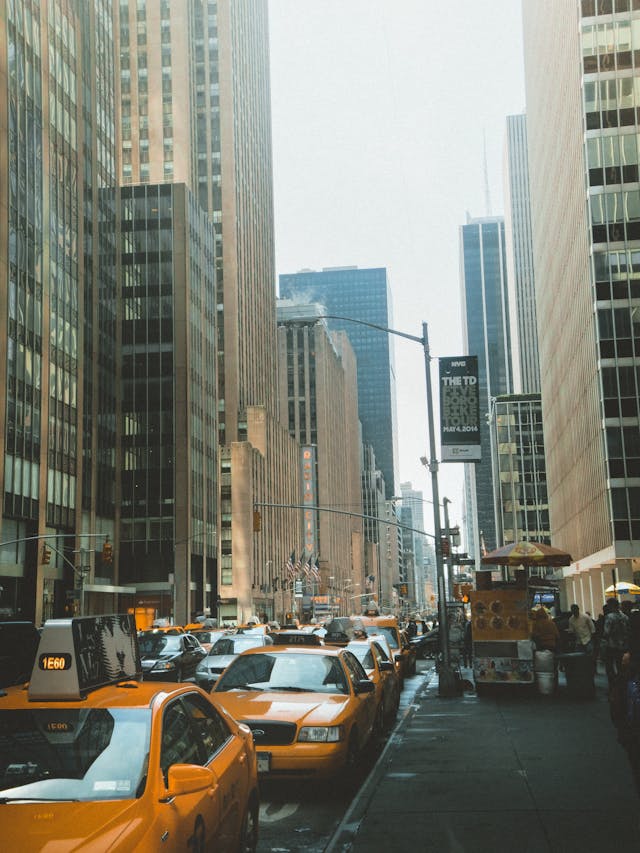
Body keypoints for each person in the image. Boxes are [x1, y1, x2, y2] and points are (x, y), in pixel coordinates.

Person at [603, 597, 629, 687]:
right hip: (623, 645)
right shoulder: (625, 617)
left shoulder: (610, 617)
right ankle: (621, 684)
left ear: (611, 605)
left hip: (611, 645)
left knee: (609, 667)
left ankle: (613, 686)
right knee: (620, 666)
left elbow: (606, 632)